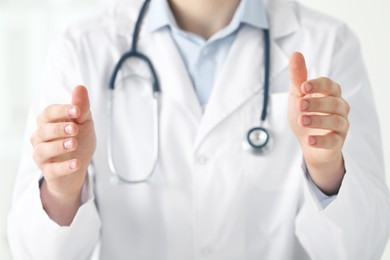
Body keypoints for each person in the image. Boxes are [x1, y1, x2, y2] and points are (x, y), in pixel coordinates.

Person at [7, 0, 390, 259]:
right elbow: (33, 251)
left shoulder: (328, 44)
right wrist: (62, 187)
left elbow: (362, 246)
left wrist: (326, 169)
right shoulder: (82, 47)